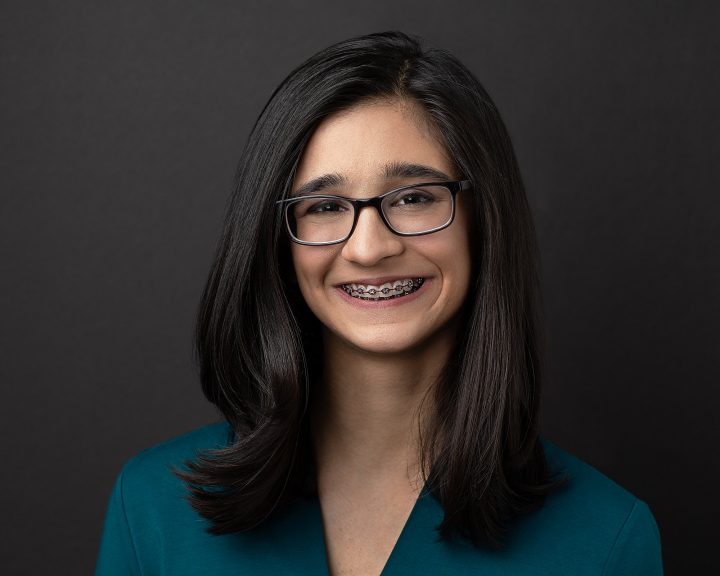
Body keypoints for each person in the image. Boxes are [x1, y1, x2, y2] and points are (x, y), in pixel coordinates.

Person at [95, 31, 663, 575]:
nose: (369, 248)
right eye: (325, 206)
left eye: (415, 197)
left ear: (483, 221)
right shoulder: (152, 510)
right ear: (276, 241)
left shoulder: (607, 539)